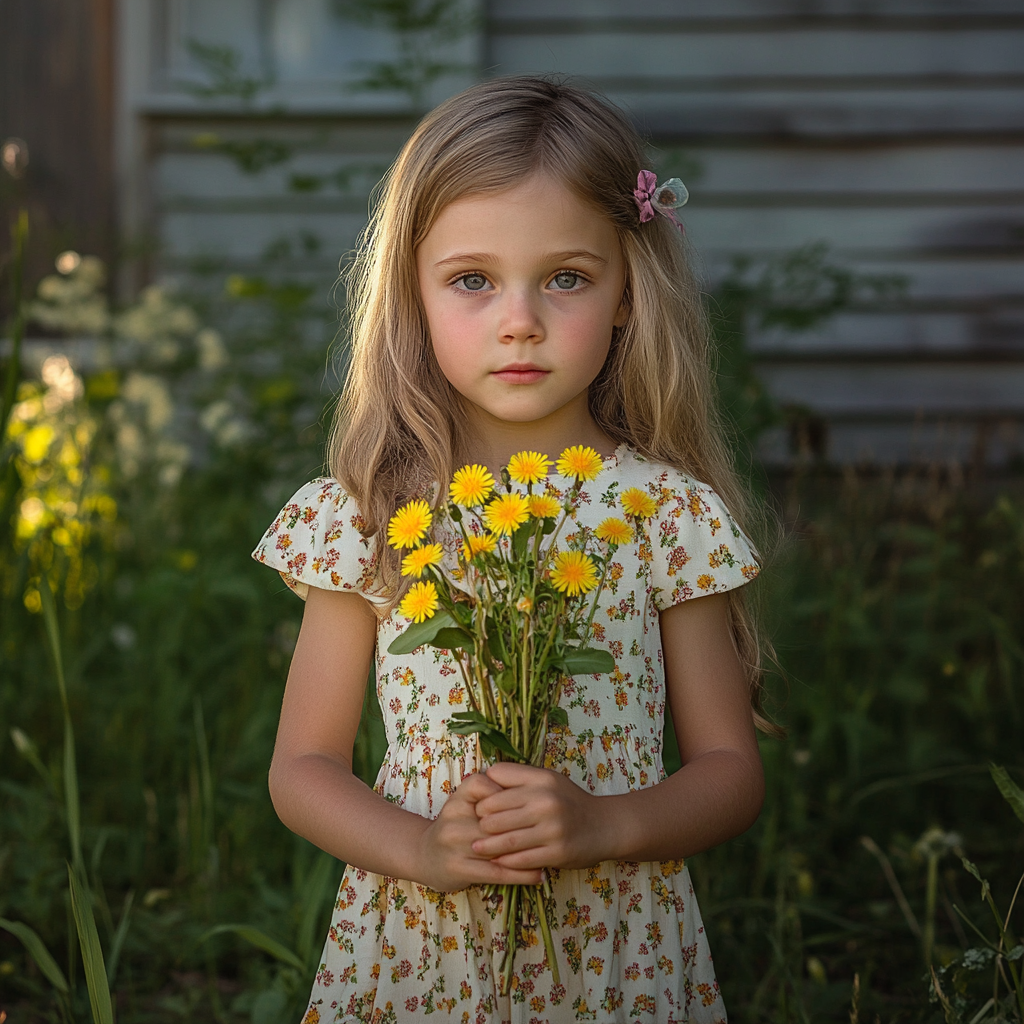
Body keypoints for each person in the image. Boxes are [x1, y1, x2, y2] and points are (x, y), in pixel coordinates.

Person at [253, 76, 774, 1024]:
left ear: (627, 294)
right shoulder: (371, 514)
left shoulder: (666, 514)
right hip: (420, 945)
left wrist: (608, 823)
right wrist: (421, 850)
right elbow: (304, 768)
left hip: (616, 948)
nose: (520, 318)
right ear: (413, 293)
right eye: (472, 281)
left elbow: (729, 772)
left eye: (567, 278)